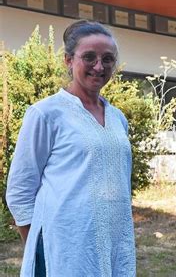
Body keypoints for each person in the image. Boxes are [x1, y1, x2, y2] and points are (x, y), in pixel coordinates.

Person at [6, 20, 136, 276]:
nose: (99, 66)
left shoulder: (117, 117)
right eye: (89, 57)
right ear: (68, 60)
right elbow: (20, 190)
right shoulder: (46, 114)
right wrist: (41, 244)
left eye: (108, 59)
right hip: (64, 250)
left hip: (113, 244)